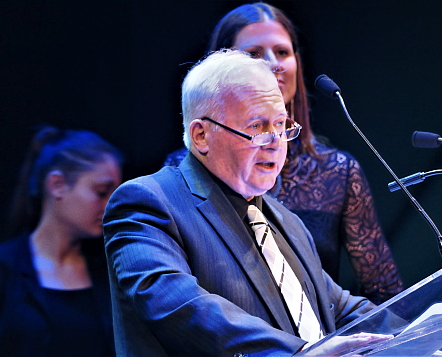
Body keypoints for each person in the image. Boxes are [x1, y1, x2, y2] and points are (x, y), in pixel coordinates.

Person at [104, 50, 393, 356]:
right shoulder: (148, 203)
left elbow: (339, 307)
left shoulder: (285, 221)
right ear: (201, 135)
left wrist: (430, 333)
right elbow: (179, 305)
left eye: (281, 124)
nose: (275, 141)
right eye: (257, 126)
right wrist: (301, 353)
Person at [164, 2, 403, 304]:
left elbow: (379, 292)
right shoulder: (181, 174)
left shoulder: (337, 172)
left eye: (282, 52)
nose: (271, 64)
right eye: (253, 54)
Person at [0, 126, 122, 356]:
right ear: (57, 185)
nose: (109, 206)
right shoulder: (7, 269)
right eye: (101, 192)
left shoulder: (109, 271)